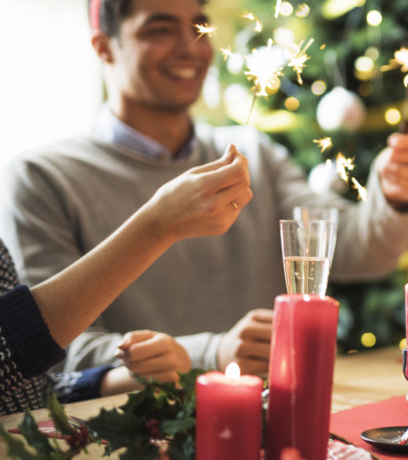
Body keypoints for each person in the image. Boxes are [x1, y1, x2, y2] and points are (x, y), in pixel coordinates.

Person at [0, 0, 408, 377]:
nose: (190, 48)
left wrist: (394, 195)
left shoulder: (251, 153)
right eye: (159, 30)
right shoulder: (43, 177)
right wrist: (211, 353)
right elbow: (48, 352)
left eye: (198, 27)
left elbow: (356, 252)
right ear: (104, 48)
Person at [1, 146, 251, 415]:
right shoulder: (40, 173)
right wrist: (156, 225)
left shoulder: (256, 150)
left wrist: (122, 380)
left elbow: (23, 392)